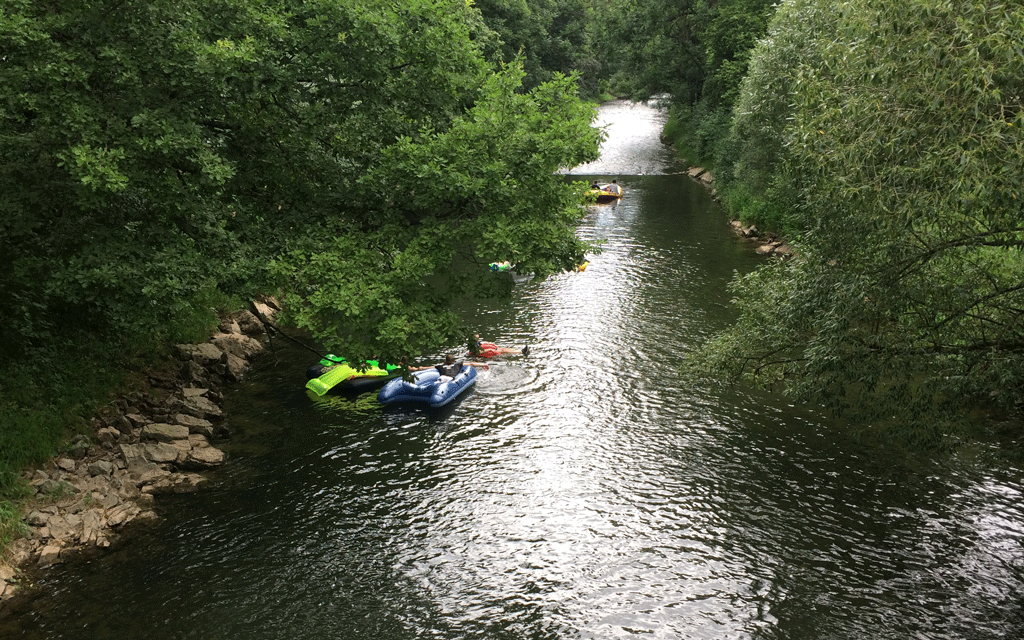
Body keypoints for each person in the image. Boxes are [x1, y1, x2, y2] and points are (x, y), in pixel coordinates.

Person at [408, 354, 487, 381]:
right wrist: (483, 365)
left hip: (441, 378)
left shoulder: (440, 366)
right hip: (450, 379)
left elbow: (428, 368)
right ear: (454, 360)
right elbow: (471, 363)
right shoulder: (458, 364)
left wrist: (416, 368)